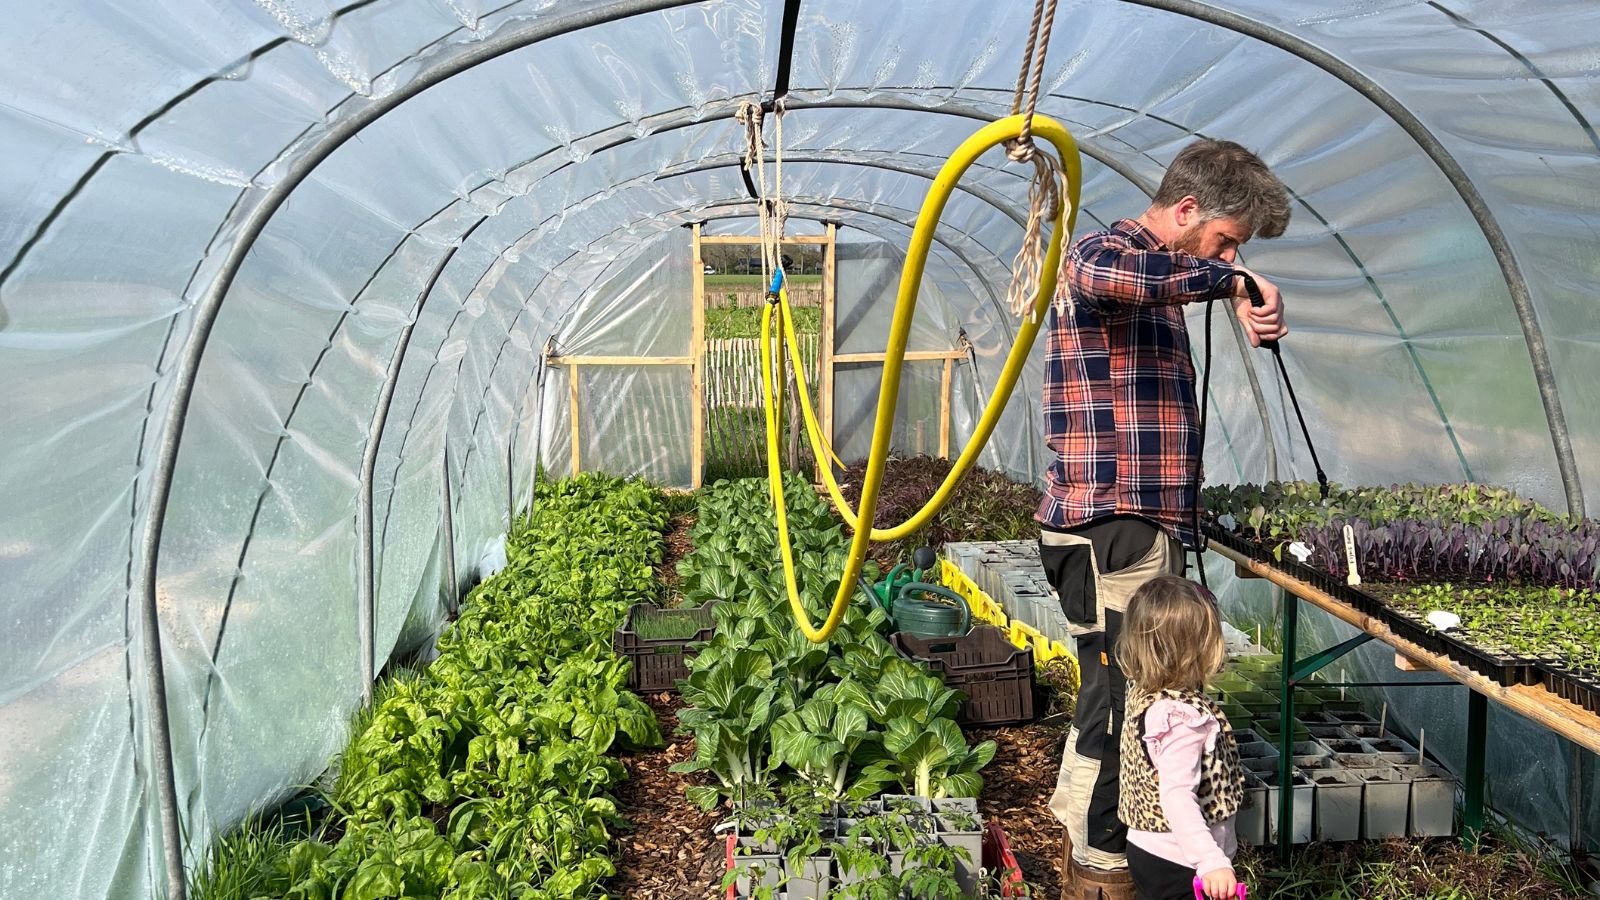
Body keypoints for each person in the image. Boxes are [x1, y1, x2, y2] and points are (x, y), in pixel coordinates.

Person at [1037, 138, 1288, 886]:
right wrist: (1231, 278)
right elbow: (1106, 272)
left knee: (1120, 697)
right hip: (1110, 528)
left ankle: (1093, 851)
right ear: (1185, 210)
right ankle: (1103, 865)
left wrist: (1227, 283)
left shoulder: (1164, 283)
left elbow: (1159, 287)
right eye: (1225, 238)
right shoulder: (1105, 254)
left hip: (1138, 527)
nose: (1227, 254)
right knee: (1119, 707)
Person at [1116, 575, 1245, 900]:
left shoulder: (1145, 694)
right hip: (1181, 861)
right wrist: (1210, 861)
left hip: (1148, 848)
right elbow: (1177, 795)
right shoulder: (1182, 719)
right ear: (1197, 649)